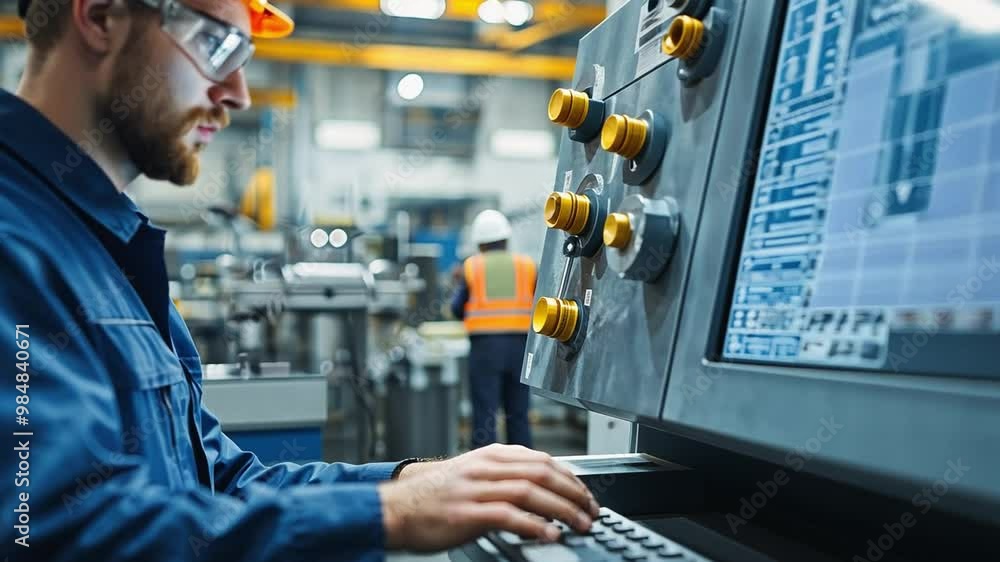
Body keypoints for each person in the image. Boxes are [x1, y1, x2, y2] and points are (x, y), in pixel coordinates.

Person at [0, 1, 598, 559]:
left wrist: (405, 480)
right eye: (217, 45)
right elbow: (48, 532)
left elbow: (220, 483)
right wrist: (382, 515)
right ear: (101, 16)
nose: (236, 92)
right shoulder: (15, 239)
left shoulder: (115, 254)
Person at [451, 210, 538, 449]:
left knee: (485, 413)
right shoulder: (526, 265)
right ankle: (523, 471)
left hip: (485, 348)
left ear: (479, 243)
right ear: (506, 239)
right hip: (521, 346)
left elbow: (457, 308)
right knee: (518, 412)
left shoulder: (472, 267)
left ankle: (485, 475)